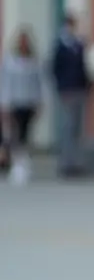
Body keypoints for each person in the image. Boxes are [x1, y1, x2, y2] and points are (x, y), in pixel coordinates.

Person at [0, 27, 44, 186]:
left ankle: (25, 163)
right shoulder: (10, 60)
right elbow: (6, 83)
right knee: (15, 135)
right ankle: (17, 165)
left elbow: (39, 83)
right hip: (14, 102)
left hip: (29, 102)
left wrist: (40, 102)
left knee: (26, 134)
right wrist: (4, 104)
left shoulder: (34, 60)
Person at [51, 12, 92, 178]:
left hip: (79, 89)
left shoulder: (79, 45)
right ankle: (66, 163)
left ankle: (77, 162)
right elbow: (55, 69)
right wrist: (61, 88)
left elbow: (83, 68)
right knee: (68, 127)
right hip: (67, 91)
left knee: (78, 128)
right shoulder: (60, 45)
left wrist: (88, 86)